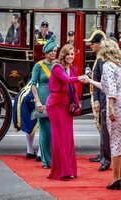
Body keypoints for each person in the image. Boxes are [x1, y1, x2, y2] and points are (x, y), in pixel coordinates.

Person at [82, 38, 121, 190]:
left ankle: (117, 178)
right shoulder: (118, 65)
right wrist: (90, 81)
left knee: (116, 143)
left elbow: (110, 89)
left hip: (116, 106)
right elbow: (105, 86)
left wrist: (110, 107)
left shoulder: (109, 66)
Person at [46, 44, 83, 180]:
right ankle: (61, 172)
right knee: (60, 139)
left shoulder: (72, 68)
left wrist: (77, 104)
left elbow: (72, 89)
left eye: (72, 54)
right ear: (63, 55)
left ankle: (69, 170)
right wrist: (80, 78)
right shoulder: (57, 68)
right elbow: (67, 80)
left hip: (66, 106)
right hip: (55, 106)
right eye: (68, 54)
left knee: (68, 139)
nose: (71, 56)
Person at [84, 30, 111, 171]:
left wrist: (97, 100)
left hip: (105, 97)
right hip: (102, 96)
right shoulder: (100, 59)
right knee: (103, 128)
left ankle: (106, 158)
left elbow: (99, 81)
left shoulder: (103, 60)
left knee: (106, 129)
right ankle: (104, 155)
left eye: (93, 43)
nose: (90, 46)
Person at [31, 35, 58, 168]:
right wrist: (38, 102)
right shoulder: (39, 65)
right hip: (42, 99)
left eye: (55, 51)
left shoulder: (57, 65)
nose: (53, 53)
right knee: (45, 131)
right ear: (46, 52)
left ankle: (54, 160)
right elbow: (33, 85)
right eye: (51, 51)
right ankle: (46, 161)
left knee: (54, 131)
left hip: (56, 100)